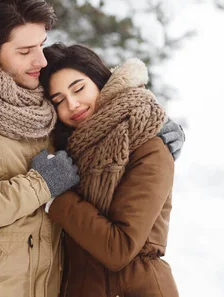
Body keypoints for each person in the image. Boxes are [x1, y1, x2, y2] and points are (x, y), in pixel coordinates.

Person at [0, 0, 185, 297]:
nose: (40, 61)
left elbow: (98, 101)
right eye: (25, 51)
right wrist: (41, 185)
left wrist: (148, 123)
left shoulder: (42, 100)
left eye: (41, 44)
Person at [39, 43, 179, 297]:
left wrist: (57, 195)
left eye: (79, 88)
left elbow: (120, 248)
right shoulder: (71, 151)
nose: (72, 104)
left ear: (100, 81)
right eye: (58, 100)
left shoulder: (149, 147)